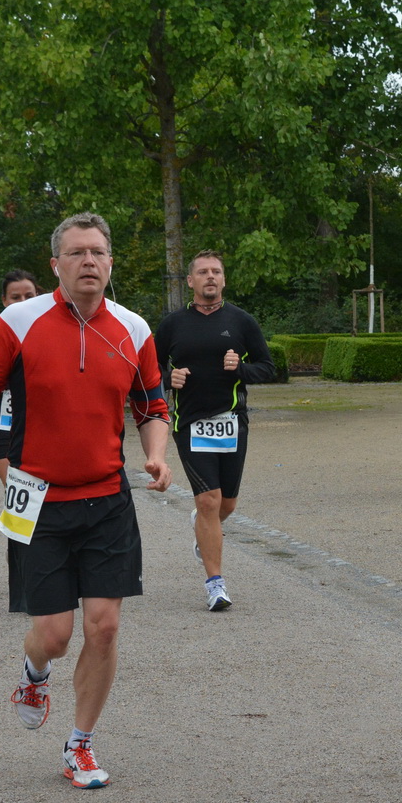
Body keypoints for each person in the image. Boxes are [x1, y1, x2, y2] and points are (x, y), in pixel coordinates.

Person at [0, 211, 171, 790]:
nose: (90, 261)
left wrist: (156, 453)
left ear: (111, 263)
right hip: (36, 501)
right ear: (55, 262)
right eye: (78, 252)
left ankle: (79, 745)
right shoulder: (19, 320)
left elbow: (152, 407)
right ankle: (35, 672)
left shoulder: (133, 330)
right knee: (55, 634)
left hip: (108, 497)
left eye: (99, 253)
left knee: (104, 627)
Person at [154, 250, 275, 612]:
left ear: (223, 280)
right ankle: (215, 584)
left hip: (232, 422)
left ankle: (203, 529)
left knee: (227, 504)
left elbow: (268, 368)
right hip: (189, 424)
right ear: (190, 281)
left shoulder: (241, 321)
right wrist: (166, 379)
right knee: (208, 500)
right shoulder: (172, 324)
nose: (210, 277)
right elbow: (149, 369)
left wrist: (241, 369)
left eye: (216, 272)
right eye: (203, 272)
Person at [0, 270, 42, 484]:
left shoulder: (54, 334)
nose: (22, 302)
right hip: (3, 429)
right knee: (22, 503)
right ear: (4, 300)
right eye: (15, 297)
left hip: (43, 431)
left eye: (29, 296)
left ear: (39, 297)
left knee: (49, 507)